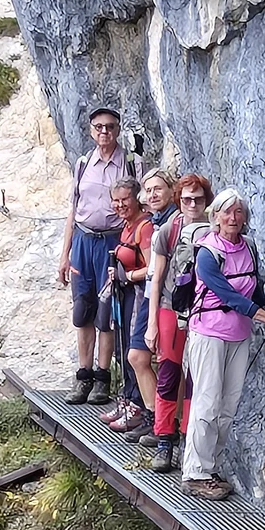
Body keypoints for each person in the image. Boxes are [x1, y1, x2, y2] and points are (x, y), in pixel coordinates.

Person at [182, 189, 265, 500]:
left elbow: (254, 288)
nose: (232, 218)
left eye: (238, 212)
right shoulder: (207, 253)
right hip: (208, 332)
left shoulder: (248, 247)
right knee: (206, 403)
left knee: (228, 405)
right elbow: (228, 296)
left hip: (239, 333)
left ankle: (210, 468)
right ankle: (195, 472)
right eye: (226, 212)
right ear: (215, 217)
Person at [57, 106, 138, 402]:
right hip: (83, 240)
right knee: (82, 309)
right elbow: (73, 210)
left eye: (110, 126)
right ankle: (84, 376)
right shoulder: (83, 163)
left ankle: (102, 378)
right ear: (91, 131)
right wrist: (65, 255)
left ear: (118, 130)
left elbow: (139, 208)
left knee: (106, 310)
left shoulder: (130, 164)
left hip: (112, 242)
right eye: (99, 127)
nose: (105, 132)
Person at [146, 172, 213, 473]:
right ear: (179, 200)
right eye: (187, 199)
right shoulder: (168, 232)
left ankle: (187, 438)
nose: (193, 205)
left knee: (196, 377)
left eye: (198, 199)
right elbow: (156, 279)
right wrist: (151, 324)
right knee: (169, 374)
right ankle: (164, 439)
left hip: (203, 311)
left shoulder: (215, 230)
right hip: (170, 309)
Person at [111, 166, 174, 436]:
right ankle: (154, 419)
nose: (153, 195)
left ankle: (157, 421)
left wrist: (127, 275)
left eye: (158, 189)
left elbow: (152, 269)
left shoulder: (155, 225)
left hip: (154, 297)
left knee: (141, 357)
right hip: (148, 294)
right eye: (149, 190)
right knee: (137, 356)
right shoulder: (156, 221)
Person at [99, 172, 155, 435]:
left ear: (136, 199)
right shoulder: (128, 225)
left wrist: (128, 276)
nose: (120, 205)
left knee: (133, 348)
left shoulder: (145, 227)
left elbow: (151, 268)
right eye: (116, 200)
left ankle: (138, 407)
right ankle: (127, 400)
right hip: (126, 292)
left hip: (139, 294)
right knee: (123, 349)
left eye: (125, 200)